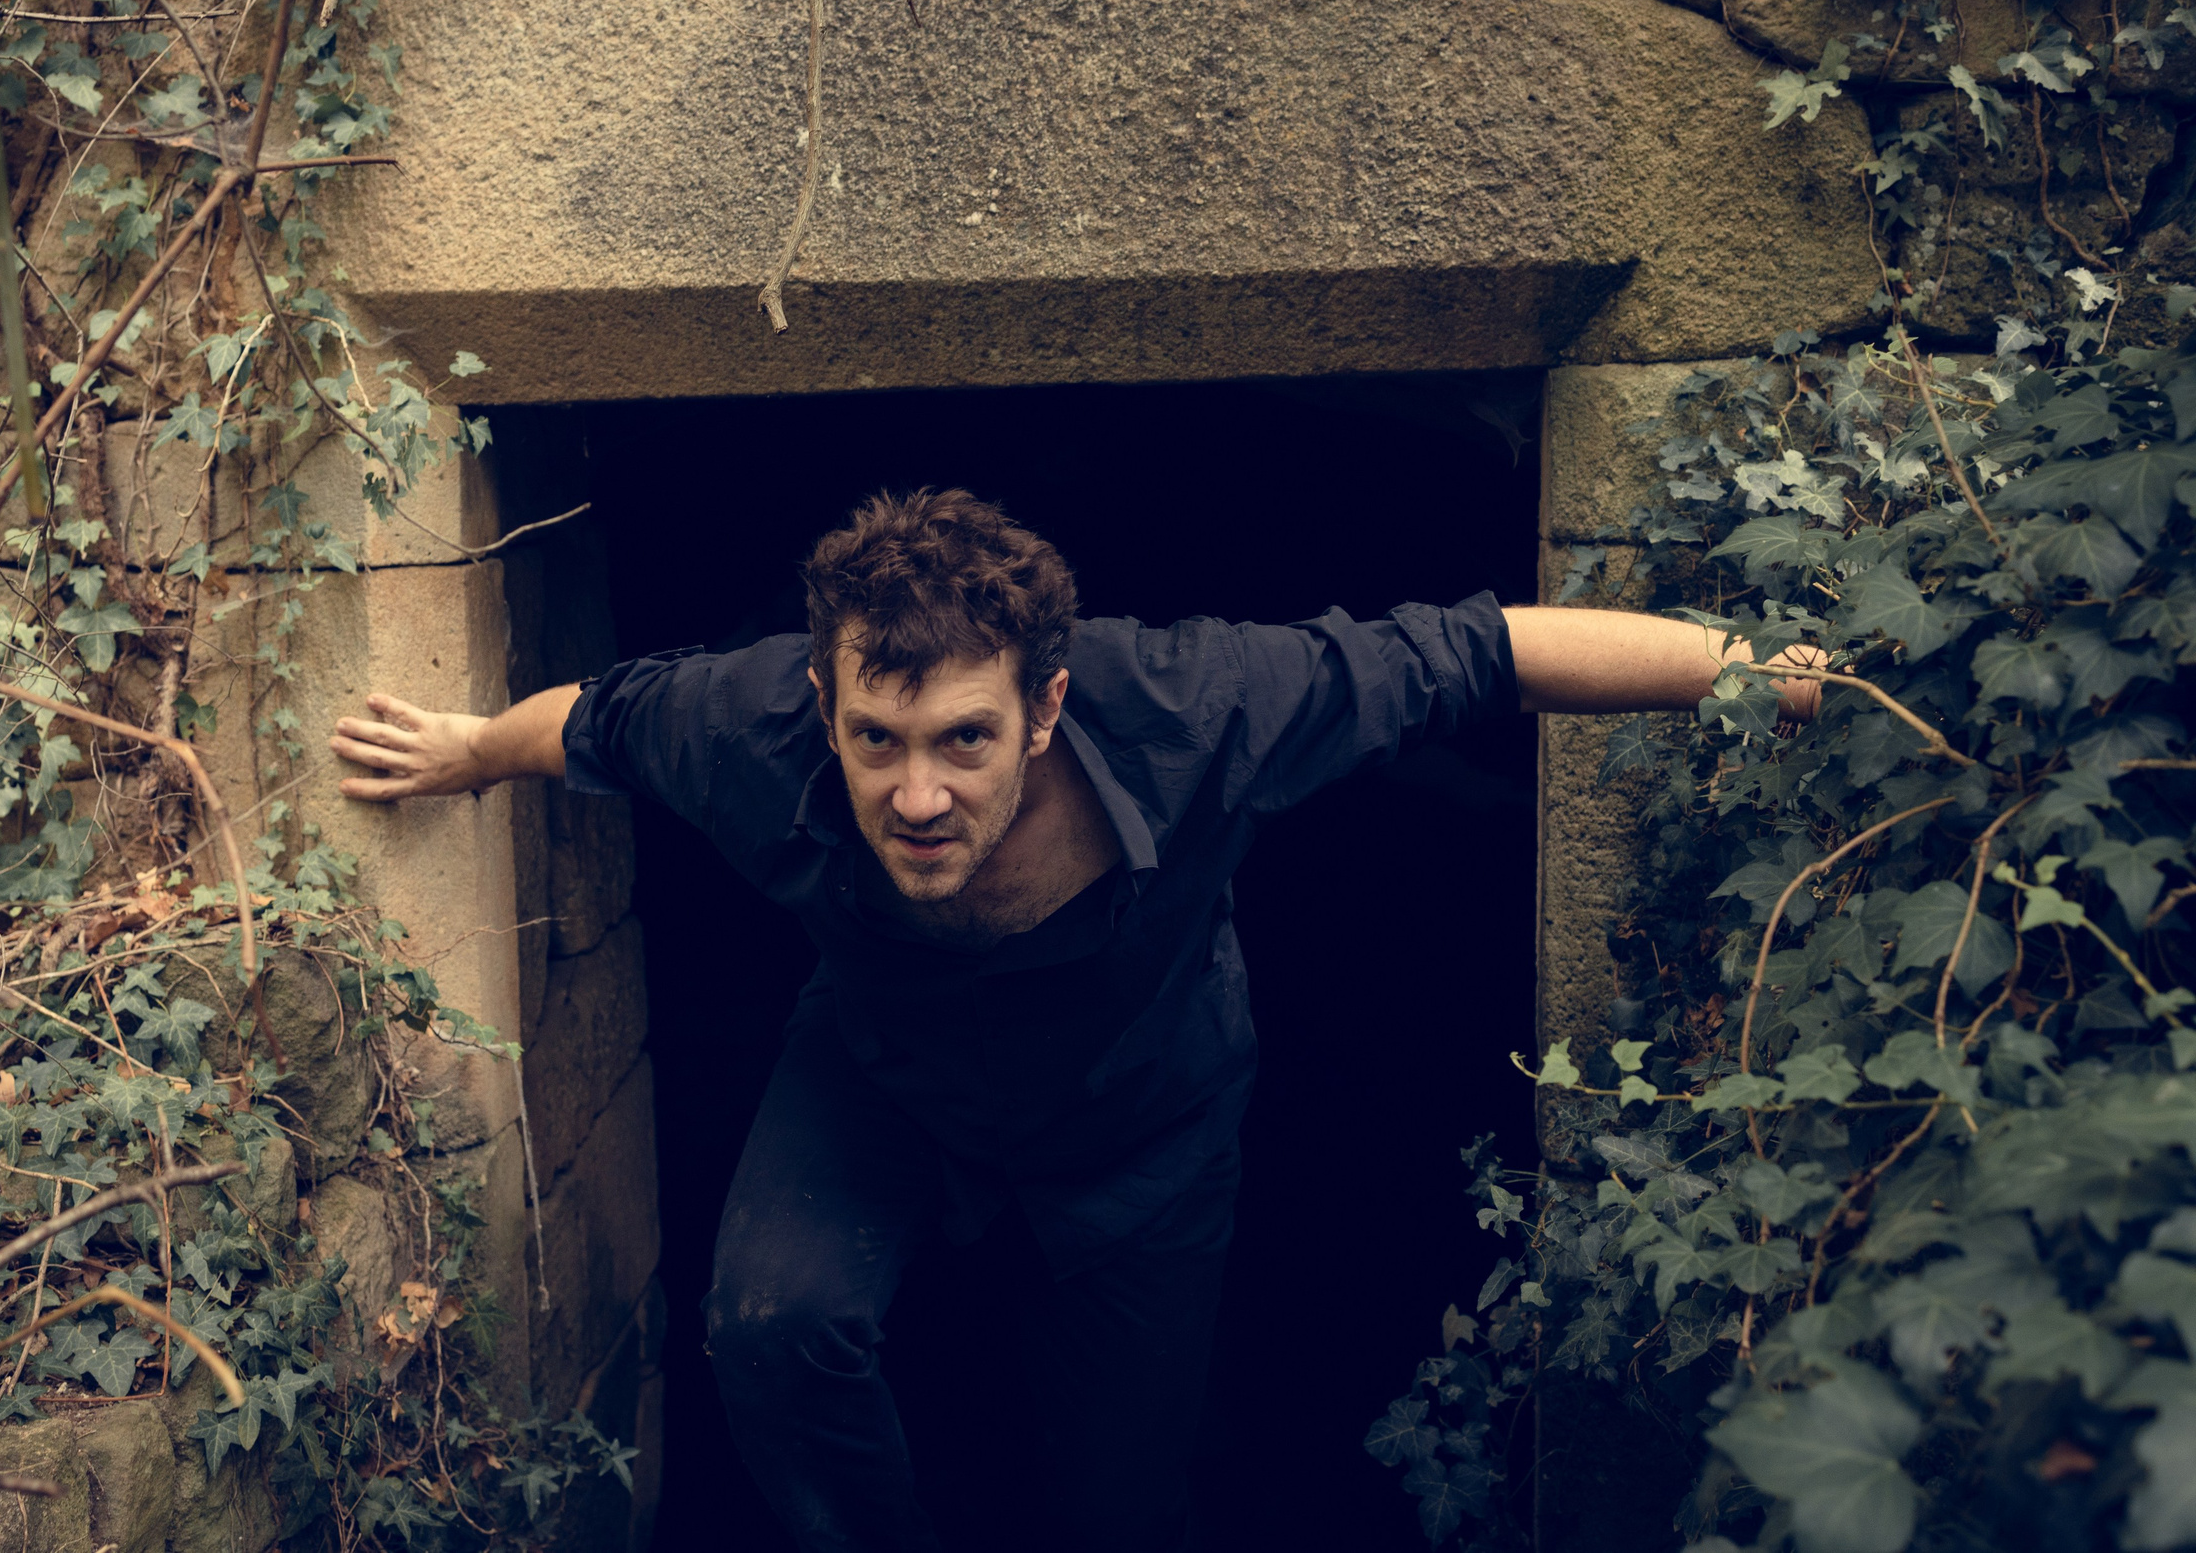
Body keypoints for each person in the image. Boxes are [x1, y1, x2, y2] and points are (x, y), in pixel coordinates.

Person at [327, 488, 1819, 1553]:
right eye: (878, 740)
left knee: (1113, 1506)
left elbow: (1487, 653)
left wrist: (1786, 680)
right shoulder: (743, 723)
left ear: (1045, 708)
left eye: (966, 740)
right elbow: (591, 722)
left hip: (1144, 1122)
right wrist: (466, 750)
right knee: (773, 1328)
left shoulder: (1200, 705)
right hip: (882, 1082)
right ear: (824, 699)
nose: (919, 794)